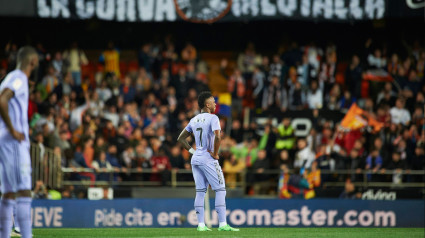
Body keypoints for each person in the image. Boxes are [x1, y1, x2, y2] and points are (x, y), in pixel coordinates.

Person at [177, 91, 239, 232]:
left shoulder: (194, 120)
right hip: (208, 158)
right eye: (213, 101)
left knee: (200, 192)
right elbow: (218, 137)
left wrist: (193, 152)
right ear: (207, 104)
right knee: (220, 190)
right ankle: (222, 224)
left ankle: (200, 225)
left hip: (196, 157)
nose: (215, 104)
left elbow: (180, 138)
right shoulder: (213, 118)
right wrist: (215, 154)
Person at [0, 46, 39, 238]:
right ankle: (26, 235)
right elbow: (2, 99)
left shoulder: (11, 76)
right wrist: (13, 130)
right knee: (24, 191)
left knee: (8, 193)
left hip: (6, 141)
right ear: (32, 61)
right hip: (14, 143)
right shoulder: (18, 78)